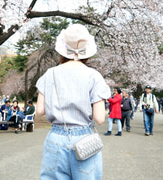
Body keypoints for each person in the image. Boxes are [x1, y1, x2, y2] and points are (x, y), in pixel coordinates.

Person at [36, 24, 111, 179]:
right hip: (84, 138)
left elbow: (39, 111)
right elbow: (99, 118)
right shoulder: (94, 76)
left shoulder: (50, 74)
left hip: (56, 137)